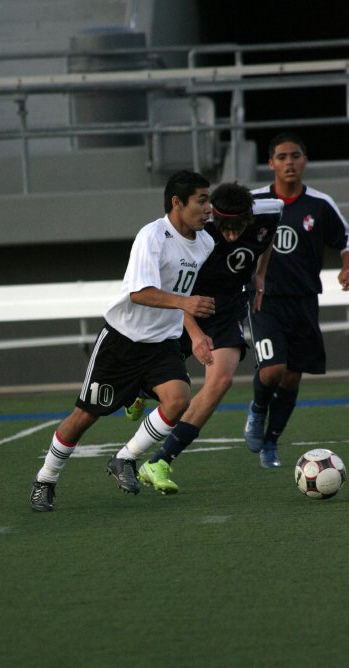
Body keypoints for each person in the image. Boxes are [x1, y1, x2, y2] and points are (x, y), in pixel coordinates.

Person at [30, 170, 216, 511]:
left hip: (162, 343)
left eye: (209, 200)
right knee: (84, 417)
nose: (209, 208)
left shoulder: (206, 243)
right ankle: (45, 479)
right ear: (177, 203)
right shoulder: (152, 236)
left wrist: (194, 331)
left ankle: (125, 459)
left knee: (178, 400)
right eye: (201, 200)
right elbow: (140, 293)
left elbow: (182, 295)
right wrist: (185, 304)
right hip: (122, 342)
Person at [131, 182, 284, 494]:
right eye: (223, 228)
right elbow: (173, 285)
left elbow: (267, 239)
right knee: (163, 382)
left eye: (236, 228)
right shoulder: (197, 228)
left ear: (249, 218)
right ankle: (138, 389)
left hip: (227, 309)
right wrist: (195, 332)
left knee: (221, 381)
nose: (229, 235)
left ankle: (160, 461)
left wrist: (260, 275)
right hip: (186, 305)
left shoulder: (270, 211)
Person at [243, 131, 349, 468]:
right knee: (273, 369)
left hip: (304, 299)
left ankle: (271, 443)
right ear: (270, 164)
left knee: (293, 377)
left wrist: (347, 268)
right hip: (264, 298)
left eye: (295, 156)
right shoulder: (255, 202)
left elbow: (348, 237)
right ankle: (257, 410)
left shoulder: (320, 204)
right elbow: (224, 232)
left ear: (304, 161)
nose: (289, 162)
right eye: (282, 157)